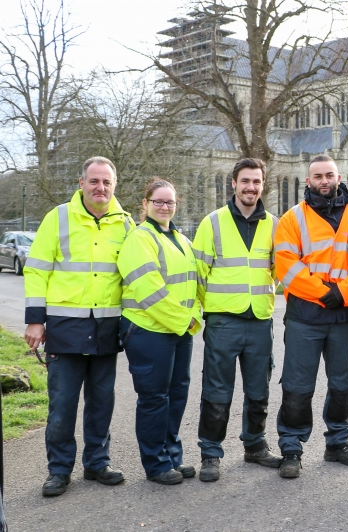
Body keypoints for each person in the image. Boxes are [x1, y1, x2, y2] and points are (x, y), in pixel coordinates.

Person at [23, 156, 135, 496]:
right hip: (65, 329)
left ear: (114, 186)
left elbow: (132, 278)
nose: (100, 187)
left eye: (106, 182)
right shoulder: (57, 218)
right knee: (63, 404)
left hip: (106, 329)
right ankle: (59, 470)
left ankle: (97, 463)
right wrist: (34, 320)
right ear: (81, 183)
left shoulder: (127, 224)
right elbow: (37, 270)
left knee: (102, 401)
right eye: (94, 181)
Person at [273, 155, 348, 479]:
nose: (324, 181)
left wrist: (343, 292)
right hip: (305, 316)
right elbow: (286, 264)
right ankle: (291, 447)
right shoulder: (292, 219)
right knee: (298, 386)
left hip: (346, 314)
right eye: (317, 176)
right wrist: (323, 292)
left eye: (329, 175)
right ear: (308, 180)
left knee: (343, 384)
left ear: (339, 177)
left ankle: (337, 443)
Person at [192, 158, 281, 482]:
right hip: (223, 322)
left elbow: (279, 271)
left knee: (259, 390)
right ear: (234, 183)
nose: (250, 187)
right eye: (245, 181)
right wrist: (206, 311)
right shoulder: (212, 223)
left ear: (262, 185)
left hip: (259, 320)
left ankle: (255, 446)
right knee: (217, 392)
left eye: (256, 182)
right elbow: (197, 274)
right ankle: (211, 453)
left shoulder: (273, 224)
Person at [117, 178, 202, 485]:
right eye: (159, 202)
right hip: (148, 331)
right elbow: (149, 291)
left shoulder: (180, 237)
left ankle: (171, 457)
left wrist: (192, 318)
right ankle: (155, 465)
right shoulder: (140, 239)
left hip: (179, 330)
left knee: (176, 395)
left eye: (170, 202)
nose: (165, 207)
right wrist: (185, 320)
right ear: (145, 204)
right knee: (154, 398)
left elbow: (194, 283)